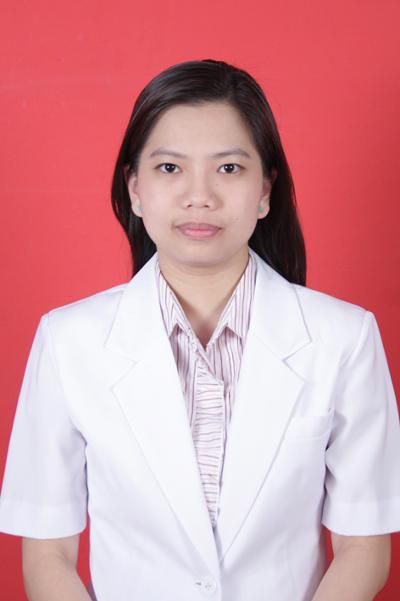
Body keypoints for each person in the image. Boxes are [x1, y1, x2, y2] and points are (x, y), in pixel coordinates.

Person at [0, 59, 399, 601]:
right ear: (135, 189)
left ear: (265, 190)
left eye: (229, 168)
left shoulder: (344, 339)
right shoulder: (68, 342)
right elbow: (47, 555)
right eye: (169, 168)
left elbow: (364, 547)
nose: (200, 195)